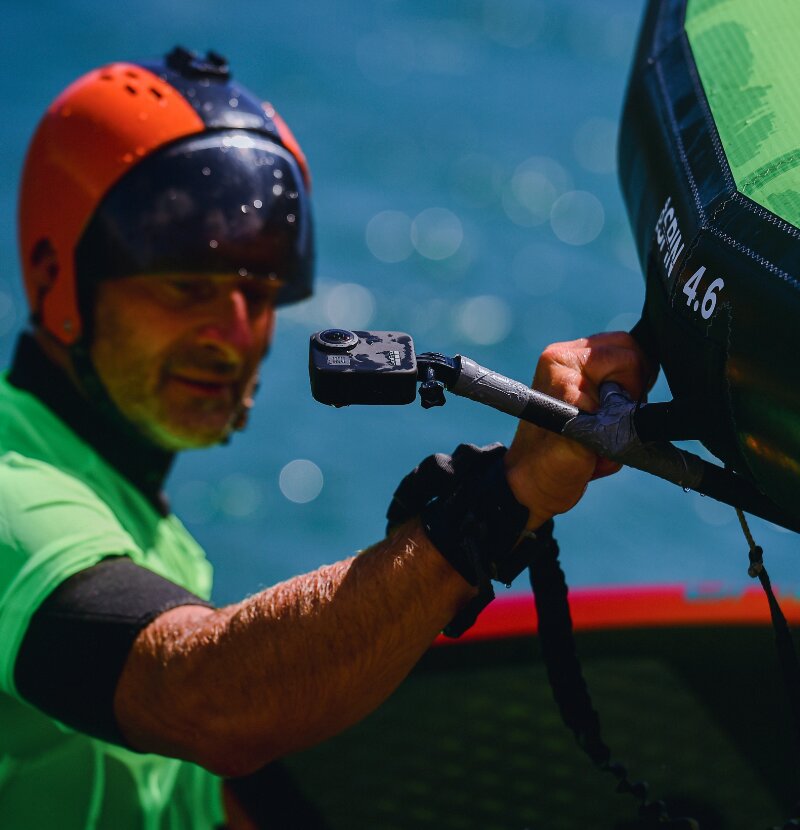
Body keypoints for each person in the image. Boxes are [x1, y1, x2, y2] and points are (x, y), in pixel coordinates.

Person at [0, 47, 651, 828]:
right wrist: (494, 507)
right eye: (186, 287)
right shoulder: (13, 490)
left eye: (258, 293)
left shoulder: (137, 525)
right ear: (55, 277)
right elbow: (205, 700)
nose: (233, 337)